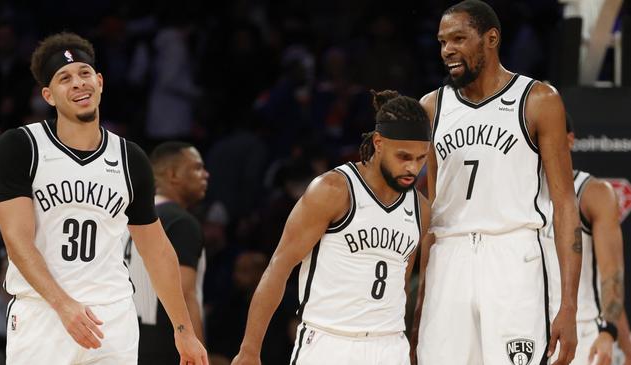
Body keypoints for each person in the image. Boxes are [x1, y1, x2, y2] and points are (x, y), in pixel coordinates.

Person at [0, 32, 208, 365]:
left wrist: (184, 330)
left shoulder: (130, 157)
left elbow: (156, 249)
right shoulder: (21, 146)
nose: (78, 83)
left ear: (100, 81)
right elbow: (17, 241)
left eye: (84, 73)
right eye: (65, 78)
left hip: (113, 316)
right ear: (48, 95)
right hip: (43, 313)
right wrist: (64, 305)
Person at [415, 1, 581, 364]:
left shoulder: (537, 100)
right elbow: (433, 208)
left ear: (491, 39)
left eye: (459, 38)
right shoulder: (431, 106)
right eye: (442, 42)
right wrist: (420, 300)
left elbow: (566, 204)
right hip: (449, 256)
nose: (448, 50)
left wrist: (569, 307)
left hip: (512, 255)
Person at [232, 89, 431, 365]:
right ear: (378, 142)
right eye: (404, 157)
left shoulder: (420, 207)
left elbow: (402, 286)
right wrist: (250, 350)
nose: (413, 168)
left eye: (421, 159)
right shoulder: (333, 190)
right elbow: (278, 267)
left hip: (389, 345)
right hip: (329, 342)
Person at [542, 119, 631, 365]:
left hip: (581, 330)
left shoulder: (594, 193)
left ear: (570, 140)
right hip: (527, 324)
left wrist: (609, 332)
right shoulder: (519, 192)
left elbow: (611, 273)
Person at [123, 141, 209, 364]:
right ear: (173, 174)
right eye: (197, 168)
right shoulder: (181, 222)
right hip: (166, 347)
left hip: (124, 342)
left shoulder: (126, 217)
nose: (205, 174)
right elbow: (185, 293)